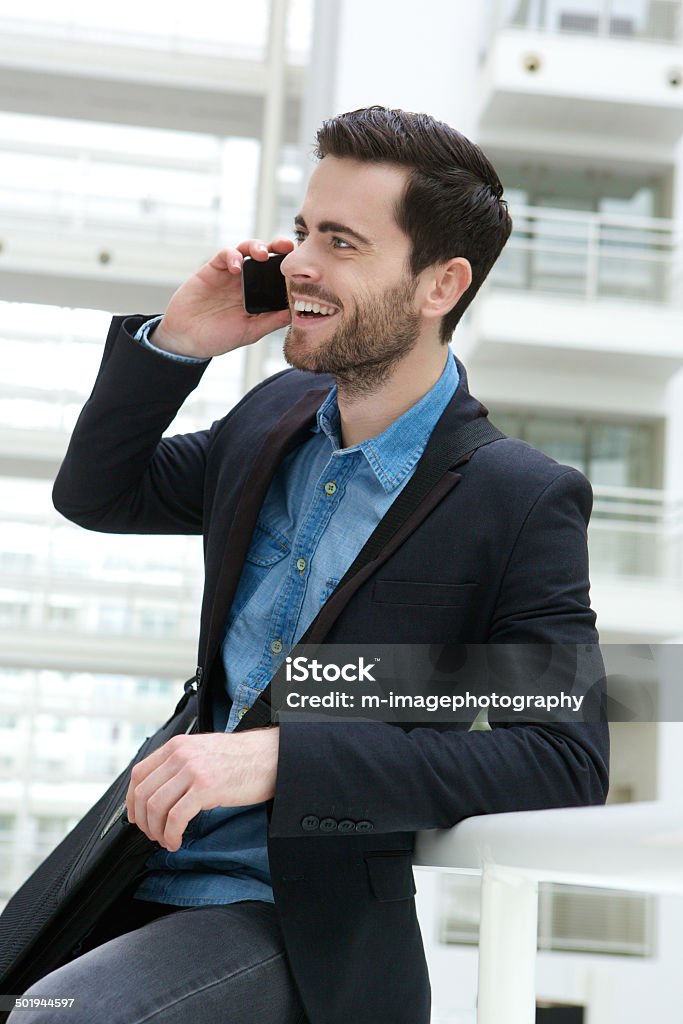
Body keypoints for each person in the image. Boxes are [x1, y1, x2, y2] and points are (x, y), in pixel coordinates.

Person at [17, 106, 608, 1024]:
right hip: (136, 870)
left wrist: (287, 759)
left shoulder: (518, 500)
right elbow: (100, 494)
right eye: (300, 232)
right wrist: (178, 344)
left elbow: (560, 760)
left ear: (438, 284)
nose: (297, 265)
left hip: (298, 920)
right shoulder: (269, 424)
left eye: (339, 241)